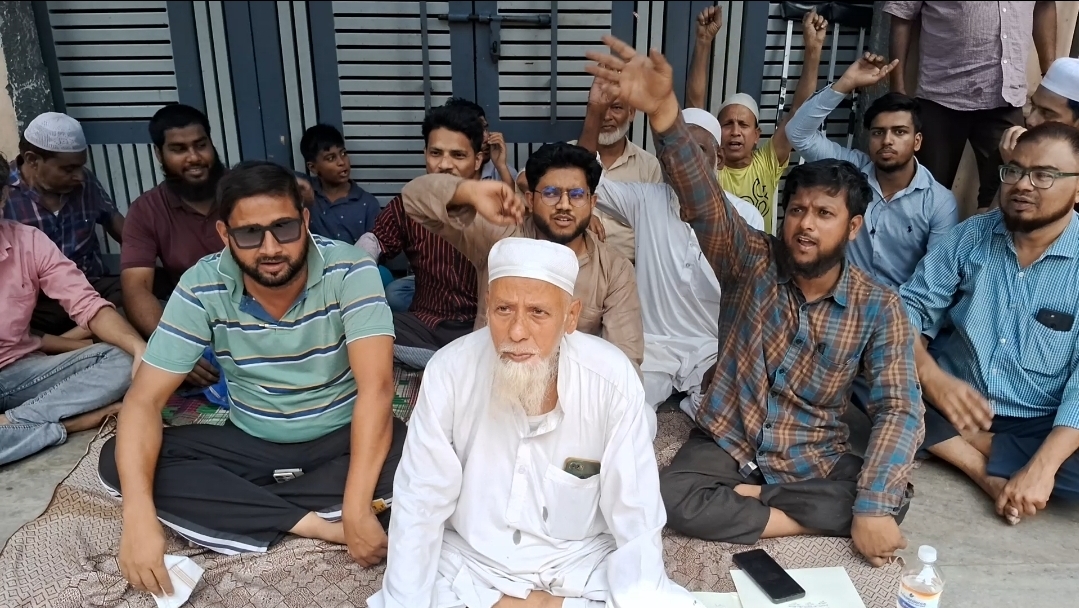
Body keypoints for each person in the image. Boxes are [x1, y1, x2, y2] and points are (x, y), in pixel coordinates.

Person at [586, 36, 922, 566]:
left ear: (853, 227)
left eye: (824, 215)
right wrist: (666, 114)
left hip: (811, 450)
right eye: (797, 211)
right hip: (730, 438)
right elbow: (704, 202)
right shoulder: (751, 261)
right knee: (669, 496)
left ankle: (756, 503)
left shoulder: (879, 307)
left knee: (892, 496)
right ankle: (793, 517)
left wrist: (875, 505)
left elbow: (898, 407)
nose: (805, 226)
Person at [98, 161, 406, 598]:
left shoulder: (350, 270)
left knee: (412, 450)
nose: (270, 248)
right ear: (224, 235)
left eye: (284, 228)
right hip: (252, 442)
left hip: (342, 438)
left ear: (304, 220)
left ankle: (243, 505)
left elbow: (377, 389)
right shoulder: (202, 284)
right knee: (119, 461)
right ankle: (315, 522)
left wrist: (357, 507)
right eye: (249, 234)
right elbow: (144, 400)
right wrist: (138, 519)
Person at [368, 237, 702, 608]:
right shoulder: (449, 371)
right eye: (504, 309)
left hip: (578, 561)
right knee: (414, 587)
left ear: (570, 316)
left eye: (538, 313)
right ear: (487, 307)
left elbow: (635, 510)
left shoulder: (612, 380)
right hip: (472, 559)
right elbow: (421, 497)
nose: (516, 332)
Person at [901, 122, 1079, 526]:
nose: (1022, 185)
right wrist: (931, 376)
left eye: (1044, 175)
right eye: (1014, 170)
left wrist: (1044, 467)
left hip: (1039, 418)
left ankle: (956, 440)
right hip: (949, 395)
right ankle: (979, 468)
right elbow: (907, 309)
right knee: (862, 355)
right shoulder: (970, 237)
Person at [579, 83, 763, 412]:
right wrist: (594, 111)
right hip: (653, 346)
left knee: (730, 415)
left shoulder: (745, 216)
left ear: (719, 159)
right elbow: (587, 177)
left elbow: (753, 298)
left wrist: (733, 356)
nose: (682, 163)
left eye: (696, 152)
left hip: (712, 348)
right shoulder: (645, 199)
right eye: (675, 154)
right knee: (622, 410)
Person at [401, 142, 644, 371]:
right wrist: (468, 191)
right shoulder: (501, 237)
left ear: (592, 203)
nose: (564, 204)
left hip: (567, 390)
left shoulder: (614, 269)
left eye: (577, 194)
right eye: (551, 193)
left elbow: (625, 361)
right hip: (491, 379)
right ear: (530, 199)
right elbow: (413, 200)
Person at [0, 154, 146, 466]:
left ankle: (14, 422)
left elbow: (87, 303)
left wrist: (138, 348)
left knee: (121, 358)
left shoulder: (28, 241)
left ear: (3, 198)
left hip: (21, 372)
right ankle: (69, 424)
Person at [784, 53, 958, 290]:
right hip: (838, 298)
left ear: (917, 141)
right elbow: (798, 134)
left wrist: (889, 311)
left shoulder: (939, 202)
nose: (887, 140)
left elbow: (933, 283)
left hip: (900, 307)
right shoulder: (851, 170)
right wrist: (846, 83)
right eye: (878, 132)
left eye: (899, 132)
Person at [886, 1, 1058, 212]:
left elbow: (1044, 5)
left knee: (1008, 190)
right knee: (926, 195)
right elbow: (902, 14)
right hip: (942, 96)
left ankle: (989, 234)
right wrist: (897, 90)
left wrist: (1051, 76)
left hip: (1006, 95)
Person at [358, 103, 480, 364]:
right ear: (425, 154)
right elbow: (375, 240)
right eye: (436, 153)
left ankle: (446, 363)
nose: (444, 165)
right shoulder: (408, 204)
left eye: (458, 155)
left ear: (477, 160)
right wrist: (357, 268)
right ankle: (453, 364)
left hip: (481, 326)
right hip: (425, 325)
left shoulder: (494, 208)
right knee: (369, 328)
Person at [687, 7, 828, 233]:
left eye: (743, 125)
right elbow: (695, 107)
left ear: (756, 135)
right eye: (727, 124)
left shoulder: (767, 163)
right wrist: (703, 41)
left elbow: (799, 112)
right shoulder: (709, 166)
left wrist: (813, 49)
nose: (735, 131)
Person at [3, 112, 125, 335]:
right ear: (32, 160)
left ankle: (69, 340)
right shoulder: (5, 194)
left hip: (91, 288)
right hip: (38, 304)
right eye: (68, 169)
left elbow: (117, 223)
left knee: (140, 290)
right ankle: (85, 337)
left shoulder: (85, 182)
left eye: (80, 167)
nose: (79, 176)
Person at [121, 104, 226, 342]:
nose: (194, 157)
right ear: (159, 154)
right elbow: (136, 289)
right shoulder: (146, 210)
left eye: (201, 145)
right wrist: (173, 345)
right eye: (179, 149)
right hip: (195, 318)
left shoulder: (245, 191)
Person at [572, 78, 663, 263]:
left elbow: (657, 227)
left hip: (631, 268)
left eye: (616, 108)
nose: (606, 116)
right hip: (577, 267)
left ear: (631, 113)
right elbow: (527, 180)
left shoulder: (649, 166)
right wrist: (581, 215)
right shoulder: (569, 152)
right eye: (600, 108)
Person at [298, 123, 382, 244]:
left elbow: (377, 248)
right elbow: (270, 174)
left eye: (343, 153)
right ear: (313, 167)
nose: (341, 162)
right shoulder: (305, 191)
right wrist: (299, 183)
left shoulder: (367, 204)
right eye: (331, 158)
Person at [1000, 57, 1079, 164]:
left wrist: (1016, 167)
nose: (1030, 120)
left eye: (1047, 114)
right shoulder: (1012, 149)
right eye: (1033, 106)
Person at [444, 97, 518, 188]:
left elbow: (512, 196)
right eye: (477, 131)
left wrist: (501, 167)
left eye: (486, 129)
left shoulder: (500, 171)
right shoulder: (445, 170)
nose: (486, 137)